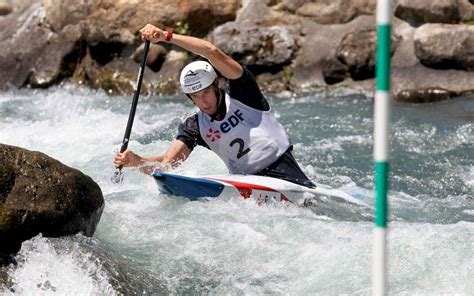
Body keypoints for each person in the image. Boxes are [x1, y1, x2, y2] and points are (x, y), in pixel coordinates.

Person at [114, 24, 315, 188]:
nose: (203, 102)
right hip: (247, 184)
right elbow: (168, 165)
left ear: (217, 86)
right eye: (196, 97)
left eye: (206, 93)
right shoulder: (195, 126)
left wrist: (167, 36)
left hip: (285, 172)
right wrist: (137, 162)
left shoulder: (244, 94)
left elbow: (211, 52)